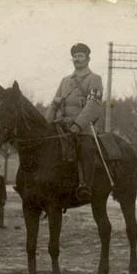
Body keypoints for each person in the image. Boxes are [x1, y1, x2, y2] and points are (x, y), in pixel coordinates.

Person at [45, 43, 104, 202]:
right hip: (61, 125)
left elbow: (93, 106)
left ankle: (86, 185)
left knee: (86, 148)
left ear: (87, 59)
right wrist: (46, 123)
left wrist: (77, 126)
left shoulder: (94, 79)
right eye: (75, 56)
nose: (77, 59)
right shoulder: (65, 81)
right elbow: (54, 103)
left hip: (82, 128)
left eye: (80, 56)